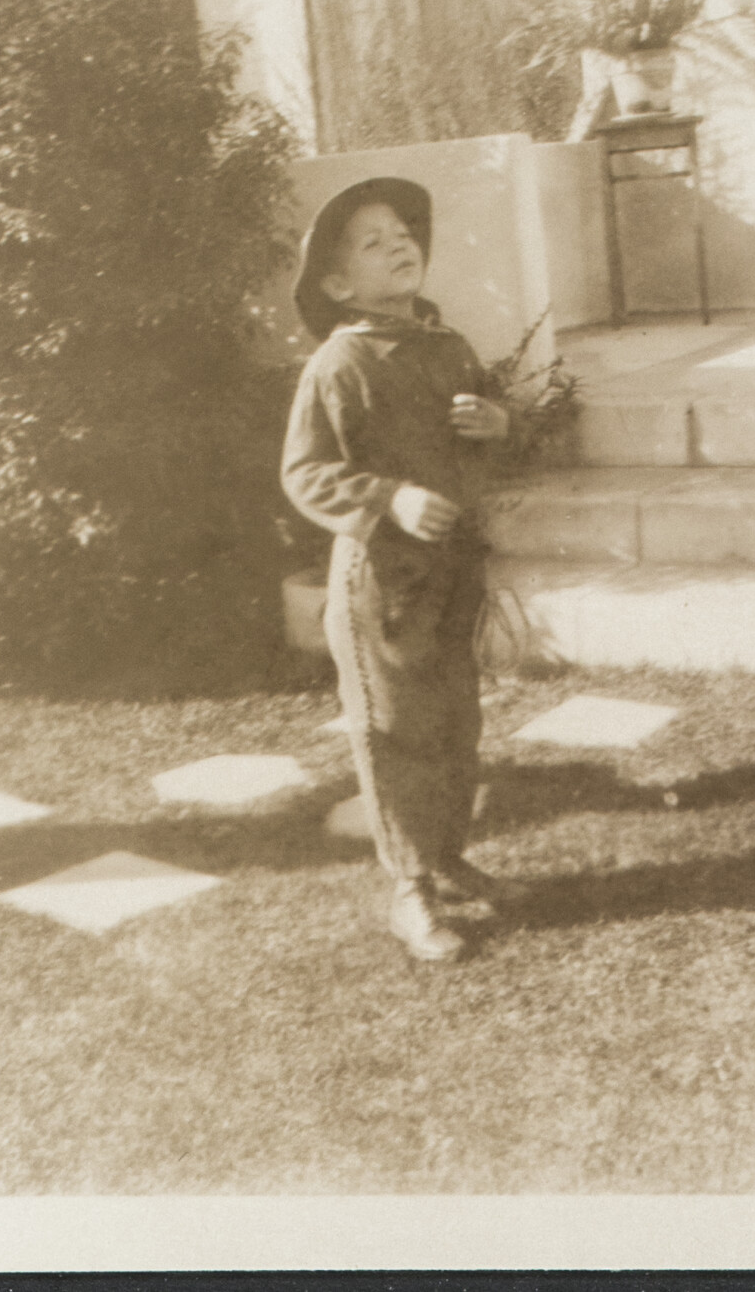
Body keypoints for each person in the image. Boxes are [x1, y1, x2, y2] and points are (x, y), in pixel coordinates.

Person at [281, 176, 530, 963]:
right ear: (337, 283)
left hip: (452, 573)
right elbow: (306, 472)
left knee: (456, 721)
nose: (398, 245)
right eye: (372, 241)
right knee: (394, 733)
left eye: (402, 232)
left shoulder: (446, 345)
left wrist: (496, 422)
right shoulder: (338, 364)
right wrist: (389, 499)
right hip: (383, 584)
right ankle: (409, 890)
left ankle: (447, 856)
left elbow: (485, 424)